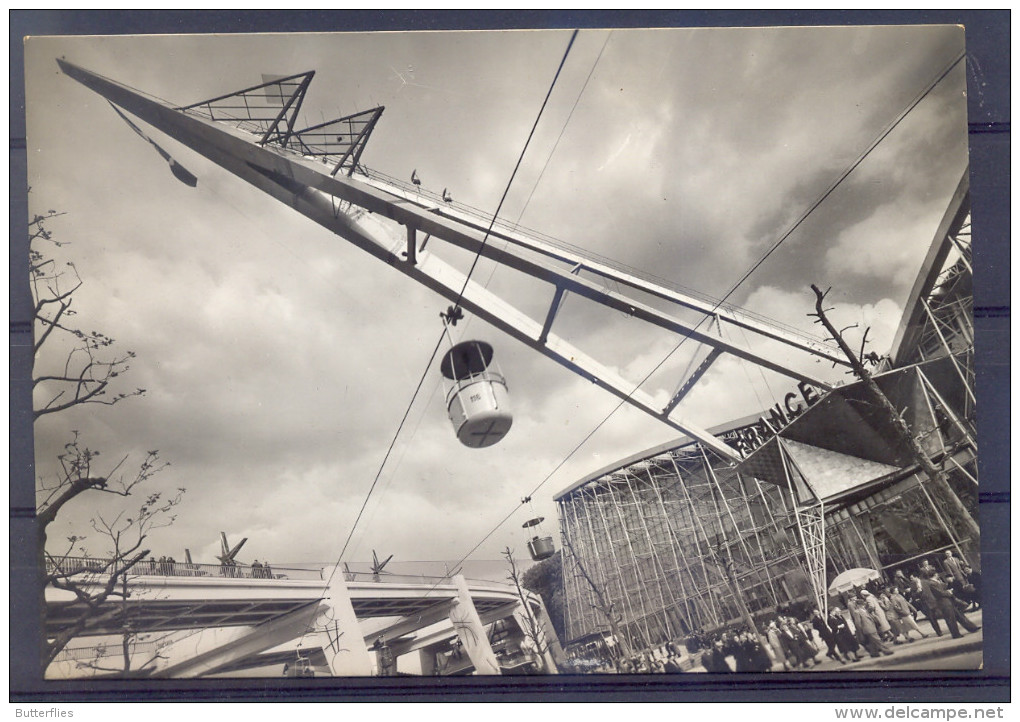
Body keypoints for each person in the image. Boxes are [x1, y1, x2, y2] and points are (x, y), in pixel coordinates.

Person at [928, 571, 980, 639]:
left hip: (948, 601)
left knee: (959, 615)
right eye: (937, 574)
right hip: (944, 602)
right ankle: (956, 634)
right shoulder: (932, 583)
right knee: (951, 619)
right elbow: (940, 593)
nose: (938, 575)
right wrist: (949, 592)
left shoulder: (936, 581)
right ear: (934, 574)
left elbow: (943, 589)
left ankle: (972, 628)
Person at [912, 572, 943, 636]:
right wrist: (917, 593)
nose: (911, 579)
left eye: (912, 578)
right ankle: (938, 632)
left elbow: (934, 589)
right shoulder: (913, 585)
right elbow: (913, 595)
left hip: (933, 601)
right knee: (931, 619)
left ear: (916, 577)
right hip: (925, 604)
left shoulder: (926, 582)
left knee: (941, 614)